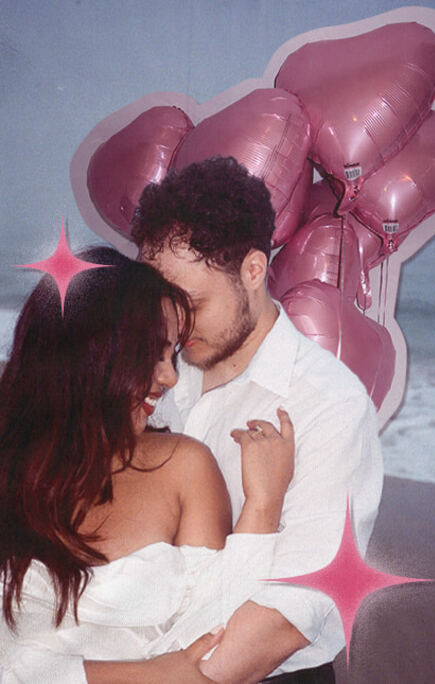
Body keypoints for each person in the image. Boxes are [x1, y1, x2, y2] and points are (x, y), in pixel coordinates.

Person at [130, 156, 384, 683]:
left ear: (252, 270)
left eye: (192, 302)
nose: (176, 325)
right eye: (163, 303)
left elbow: (290, 614)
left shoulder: (329, 403)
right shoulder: (151, 372)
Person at [0, 247, 295, 683]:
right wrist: (145, 675)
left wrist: (264, 505)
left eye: (172, 355)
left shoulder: (183, 467)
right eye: (154, 354)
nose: (170, 377)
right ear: (91, 350)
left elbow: (214, 636)